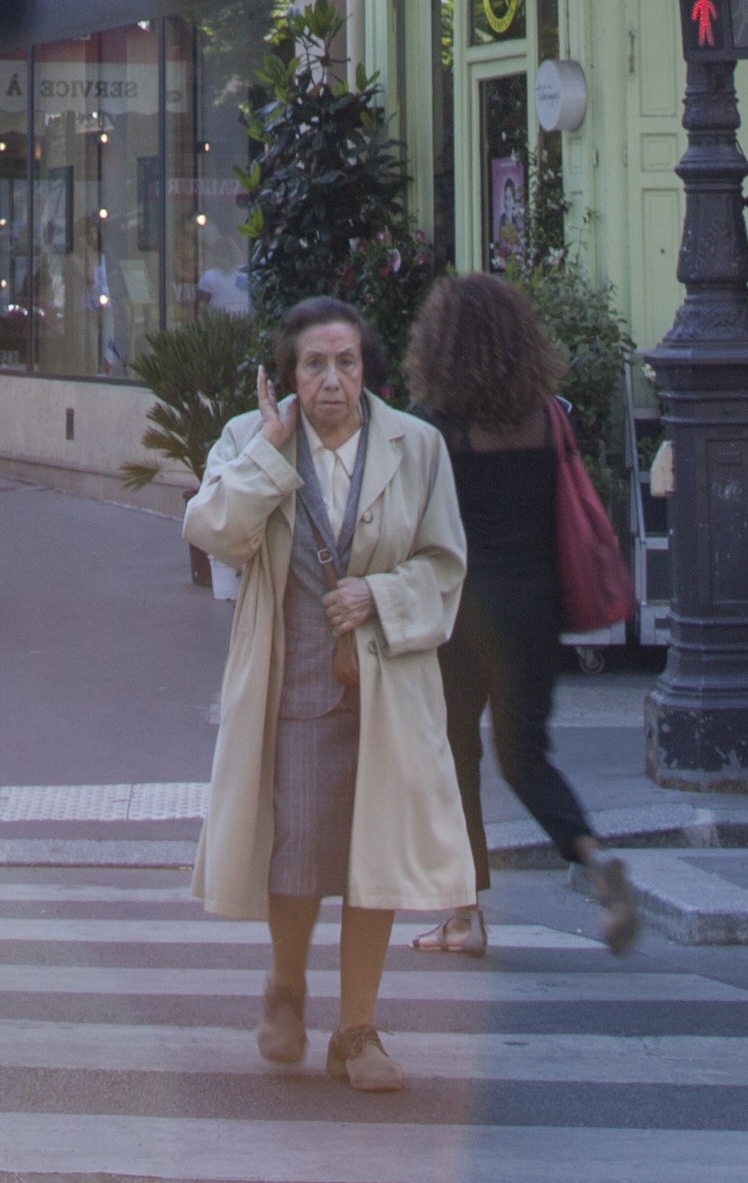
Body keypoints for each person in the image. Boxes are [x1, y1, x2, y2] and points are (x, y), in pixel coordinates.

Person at [183, 295, 469, 1094]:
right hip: (298, 685)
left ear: (366, 369)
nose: (332, 380)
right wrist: (270, 455)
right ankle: (285, 984)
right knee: (299, 853)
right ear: (289, 375)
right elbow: (211, 531)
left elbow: (445, 565)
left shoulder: (417, 446)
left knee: (377, 856)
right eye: (314, 365)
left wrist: (380, 594)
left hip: (388, 687)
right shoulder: (250, 438)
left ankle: (357, 1031)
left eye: (346, 363)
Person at [401, 270, 641, 956]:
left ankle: (464, 914)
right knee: (525, 756)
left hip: (461, 610)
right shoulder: (549, 418)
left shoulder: (436, 429)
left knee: (455, 755)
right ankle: (591, 854)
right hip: (536, 605)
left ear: (441, 343)